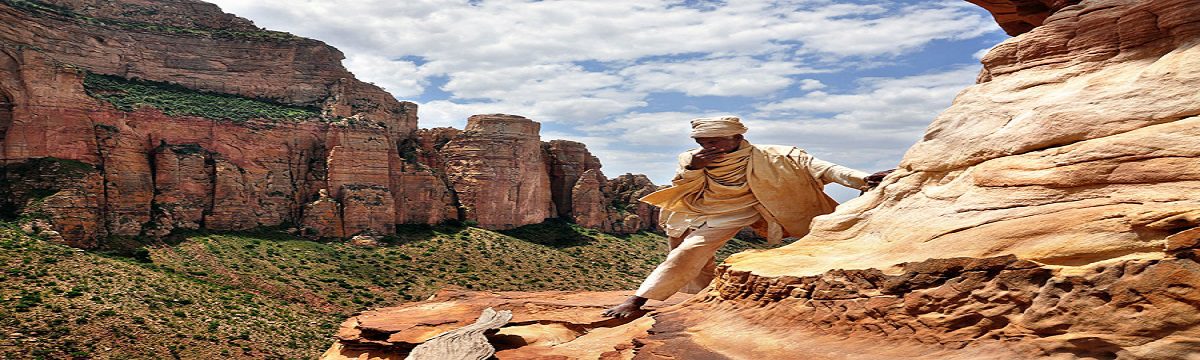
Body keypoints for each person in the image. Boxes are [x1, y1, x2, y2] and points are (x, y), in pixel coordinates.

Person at [602, 116, 891, 318]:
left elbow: (823, 168)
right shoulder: (691, 157)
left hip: (752, 207)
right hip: (704, 211)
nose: (708, 147)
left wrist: (861, 178)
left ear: (738, 138)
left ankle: (637, 300)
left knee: (693, 249)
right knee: (689, 253)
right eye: (703, 142)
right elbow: (683, 183)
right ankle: (691, 301)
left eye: (715, 141)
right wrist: (693, 166)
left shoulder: (776, 155)